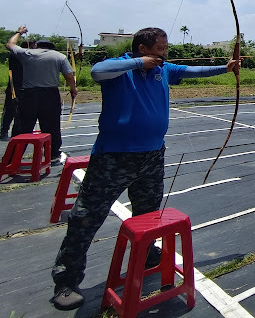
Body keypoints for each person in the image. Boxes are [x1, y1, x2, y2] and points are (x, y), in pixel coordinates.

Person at [50, 27, 240, 311]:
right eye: (161, 48)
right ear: (143, 49)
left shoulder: (164, 70)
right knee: (85, 217)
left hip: (152, 156)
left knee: (149, 214)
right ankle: (66, 281)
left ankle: (149, 256)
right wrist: (140, 64)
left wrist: (224, 69)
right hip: (113, 157)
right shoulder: (120, 71)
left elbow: (191, 71)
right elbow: (96, 71)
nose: (166, 52)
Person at [6, 27, 77, 160]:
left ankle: (13, 157)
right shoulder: (59, 56)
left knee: (23, 127)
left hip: (29, 95)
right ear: (52, 47)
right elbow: (69, 76)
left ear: (37, 46)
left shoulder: (27, 53)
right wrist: (73, 89)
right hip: (50, 96)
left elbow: (10, 45)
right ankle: (53, 154)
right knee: (52, 127)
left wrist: (19, 32)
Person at [1, 41, 27, 140]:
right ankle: (4, 132)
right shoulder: (17, 56)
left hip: (24, 87)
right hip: (14, 86)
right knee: (10, 110)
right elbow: (10, 45)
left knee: (21, 112)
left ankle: (16, 132)